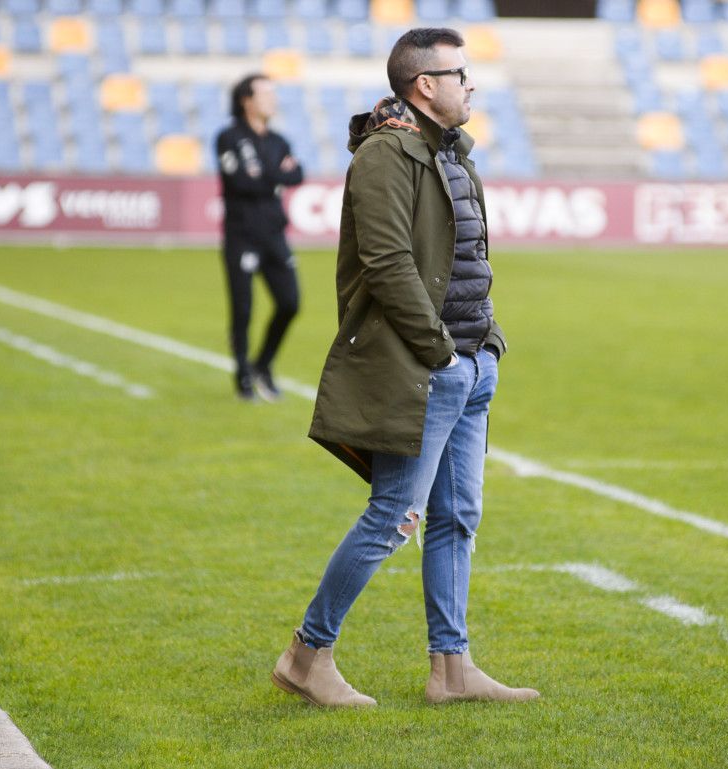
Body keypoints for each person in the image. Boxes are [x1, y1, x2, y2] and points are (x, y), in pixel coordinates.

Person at [270, 28, 539, 708]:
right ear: (425, 84)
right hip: (430, 368)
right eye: (459, 73)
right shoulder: (387, 155)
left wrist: (486, 343)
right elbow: (388, 263)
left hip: (472, 365)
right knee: (393, 515)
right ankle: (307, 653)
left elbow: (468, 256)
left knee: (458, 517)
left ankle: (451, 668)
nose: (469, 84)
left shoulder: (450, 150)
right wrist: (442, 353)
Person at [215, 73, 304, 402]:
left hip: (274, 236)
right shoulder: (228, 137)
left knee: (290, 303)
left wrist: (264, 175)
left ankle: (262, 365)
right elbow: (239, 183)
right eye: (266, 93)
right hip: (241, 236)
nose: (273, 99)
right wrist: (275, 174)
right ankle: (242, 376)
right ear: (246, 100)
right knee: (243, 309)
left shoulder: (279, 140)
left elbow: (297, 174)